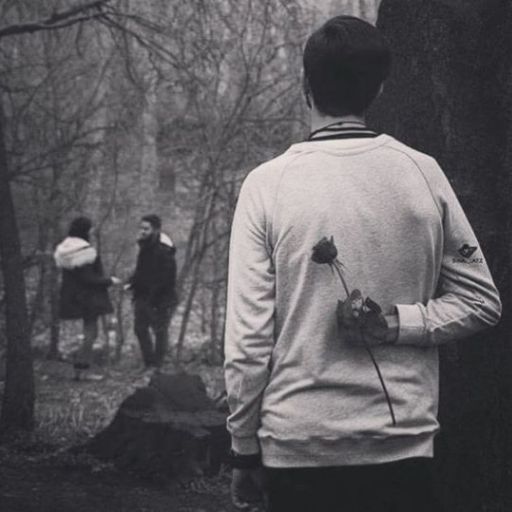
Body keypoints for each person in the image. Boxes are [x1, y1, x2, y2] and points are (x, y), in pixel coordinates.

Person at [224, 15, 502, 512]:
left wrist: (243, 449)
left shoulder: (266, 185)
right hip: (402, 445)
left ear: (305, 85)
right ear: (378, 90)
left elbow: (247, 341)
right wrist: (406, 323)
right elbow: (480, 301)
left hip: (297, 447)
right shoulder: (422, 173)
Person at [54, 216, 121, 380]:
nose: (92, 231)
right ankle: (82, 372)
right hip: (87, 298)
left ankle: (81, 371)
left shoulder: (65, 249)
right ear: (85, 230)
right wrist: (110, 280)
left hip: (72, 297)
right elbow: (88, 279)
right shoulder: (84, 251)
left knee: (86, 334)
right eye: (90, 228)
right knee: (90, 333)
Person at [127, 214, 177, 369]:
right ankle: (150, 363)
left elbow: (168, 277)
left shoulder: (164, 249)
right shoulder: (145, 246)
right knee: (140, 329)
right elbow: (142, 271)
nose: (142, 231)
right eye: (141, 228)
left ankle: (157, 366)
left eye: (146, 229)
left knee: (160, 331)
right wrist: (132, 283)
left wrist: (155, 296)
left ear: (155, 230)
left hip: (159, 298)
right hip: (143, 295)